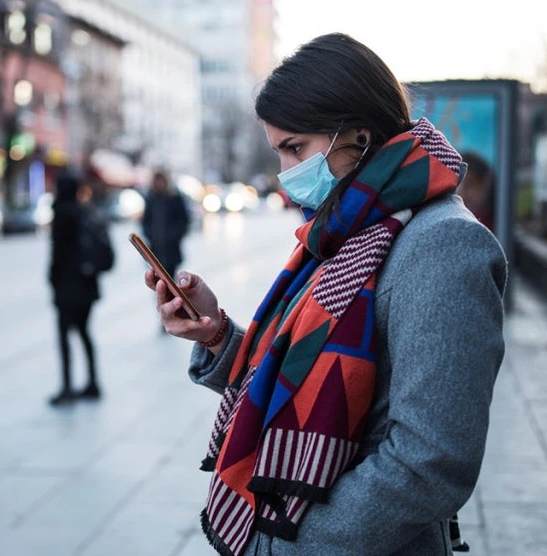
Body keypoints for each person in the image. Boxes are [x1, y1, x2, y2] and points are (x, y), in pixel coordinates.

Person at [143, 33, 506, 555]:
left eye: (296, 148)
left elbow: (431, 461)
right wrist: (217, 333)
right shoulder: (349, 228)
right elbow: (300, 371)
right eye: (279, 152)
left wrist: (287, 543)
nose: (287, 175)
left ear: (358, 137)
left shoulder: (443, 244)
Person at [49, 175, 102, 406]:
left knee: (64, 335)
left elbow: (58, 253)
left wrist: (52, 279)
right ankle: (93, 382)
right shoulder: (85, 211)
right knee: (83, 332)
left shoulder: (62, 213)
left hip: (67, 286)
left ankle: (67, 386)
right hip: (87, 284)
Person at [142, 170, 191, 318]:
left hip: (171, 250)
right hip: (155, 250)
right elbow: (145, 222)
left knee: (171, 284)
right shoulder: (150, 198)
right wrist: (150, 235)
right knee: (158, 286)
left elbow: (184, 221)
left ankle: (175, 311)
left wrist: (174, 236)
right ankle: (163, 314)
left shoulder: (174, 198)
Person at [459, 152, 495, 232]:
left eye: (469, 185)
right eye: (456, 186)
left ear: (485, 185)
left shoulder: (496, 225)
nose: (461, 194)